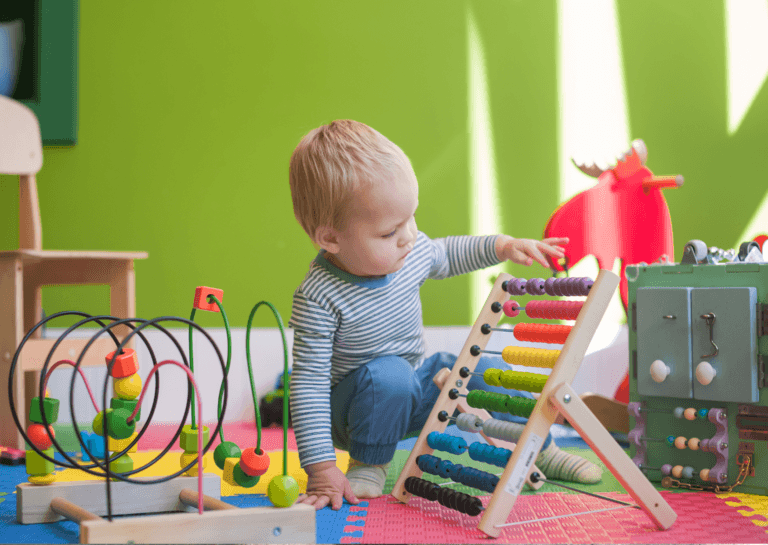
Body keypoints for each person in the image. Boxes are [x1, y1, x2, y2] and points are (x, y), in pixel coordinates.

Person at [288, 120, 602, 511]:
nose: (409, 236)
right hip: (353, 412)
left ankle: (542, 448)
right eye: (390, 231)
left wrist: (502, 246)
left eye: (411, 218)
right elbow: (308, 385)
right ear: (331, 238)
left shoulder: (411, 251)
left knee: (483, 370)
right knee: (389, 373)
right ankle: (368, 464)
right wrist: (319, 468)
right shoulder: (319, 296)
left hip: (412, 388)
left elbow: (448, 253)